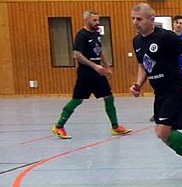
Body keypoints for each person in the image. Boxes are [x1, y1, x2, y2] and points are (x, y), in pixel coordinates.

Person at [130, 3, 182, 179]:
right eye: (133, 19)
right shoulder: (137, 41)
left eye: (139, 19)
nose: (135, 22)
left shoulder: (165, 37)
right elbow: (143, 66)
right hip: (159, 92)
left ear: (151, 19)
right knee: (163, 134)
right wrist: (138, 84)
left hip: (175, 89)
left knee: (163, 131)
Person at [51, 10, 132, 139]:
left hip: (98, 72)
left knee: (109, 97)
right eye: (94, 20)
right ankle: (59, 126)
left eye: (98, 20)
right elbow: (76, 55)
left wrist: (107, 66)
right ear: (87, 20)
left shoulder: (96, 33)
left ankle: (115, 127)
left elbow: (99, 50)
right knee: (77, 99)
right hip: (86, 72)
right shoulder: (81, 35)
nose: (97, 22)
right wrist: (94, 66)